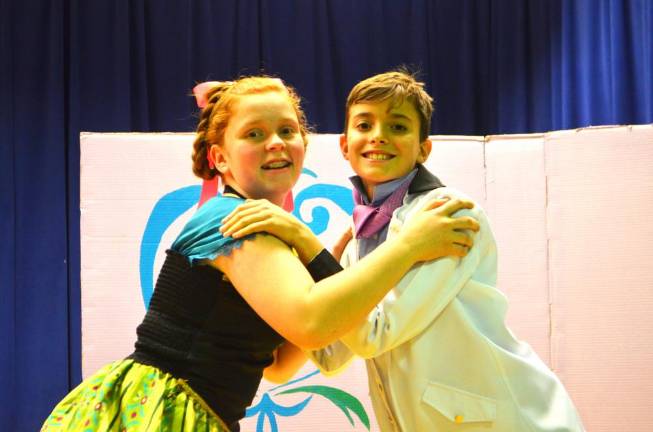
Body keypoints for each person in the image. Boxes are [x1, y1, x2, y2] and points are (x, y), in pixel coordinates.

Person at [41, 76, 479, 432]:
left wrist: (327, 266)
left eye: (287, 131)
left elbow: (280, 365)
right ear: (221, 159)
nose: (275, 142)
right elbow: (313, 322)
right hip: (161, 414)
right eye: (255, 134)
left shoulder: (267, 231)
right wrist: (410, 246)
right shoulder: (231, 220)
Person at [221, 71, 586, 431]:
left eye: (398, 127)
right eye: (364, 125)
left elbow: (373, 334)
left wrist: (304, 241)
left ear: (423, 148)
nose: (378, 137)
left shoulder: (448, 215)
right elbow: (329, 354)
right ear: (345, 145)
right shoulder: (355, 241)